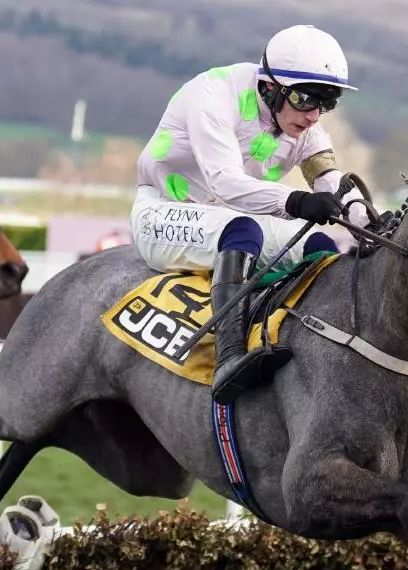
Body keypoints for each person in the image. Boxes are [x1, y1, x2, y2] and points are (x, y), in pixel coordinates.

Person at [131, 24, 371, 403]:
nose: (313, 116)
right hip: (163, 213)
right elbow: (225, 183)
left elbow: (329, 179)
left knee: (321, 245)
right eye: (307, 100)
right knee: (243, 229)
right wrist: (295, 202)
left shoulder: (304, 120)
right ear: (271, 86)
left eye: (327, 103)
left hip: (235, 222)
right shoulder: (211, 94)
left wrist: (368, 220)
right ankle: (228, 360)